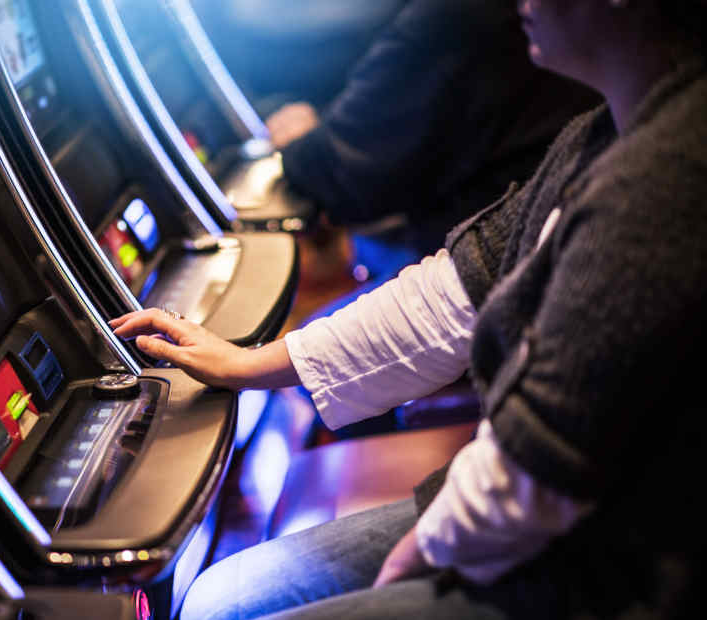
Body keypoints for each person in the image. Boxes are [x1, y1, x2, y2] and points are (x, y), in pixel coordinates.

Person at [112, 0, 707, 617]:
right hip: (560, 514)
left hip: (621, 565)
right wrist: (251, 363)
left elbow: (546, 464)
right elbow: (459, 289)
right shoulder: (608, 129)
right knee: (218, 598)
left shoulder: (666, 177)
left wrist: (416, 559)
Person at [266, 0, 602, 257]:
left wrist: (303, 140)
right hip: (493, 253)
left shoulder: (459, 16)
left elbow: (344, 177)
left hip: (473, 258)